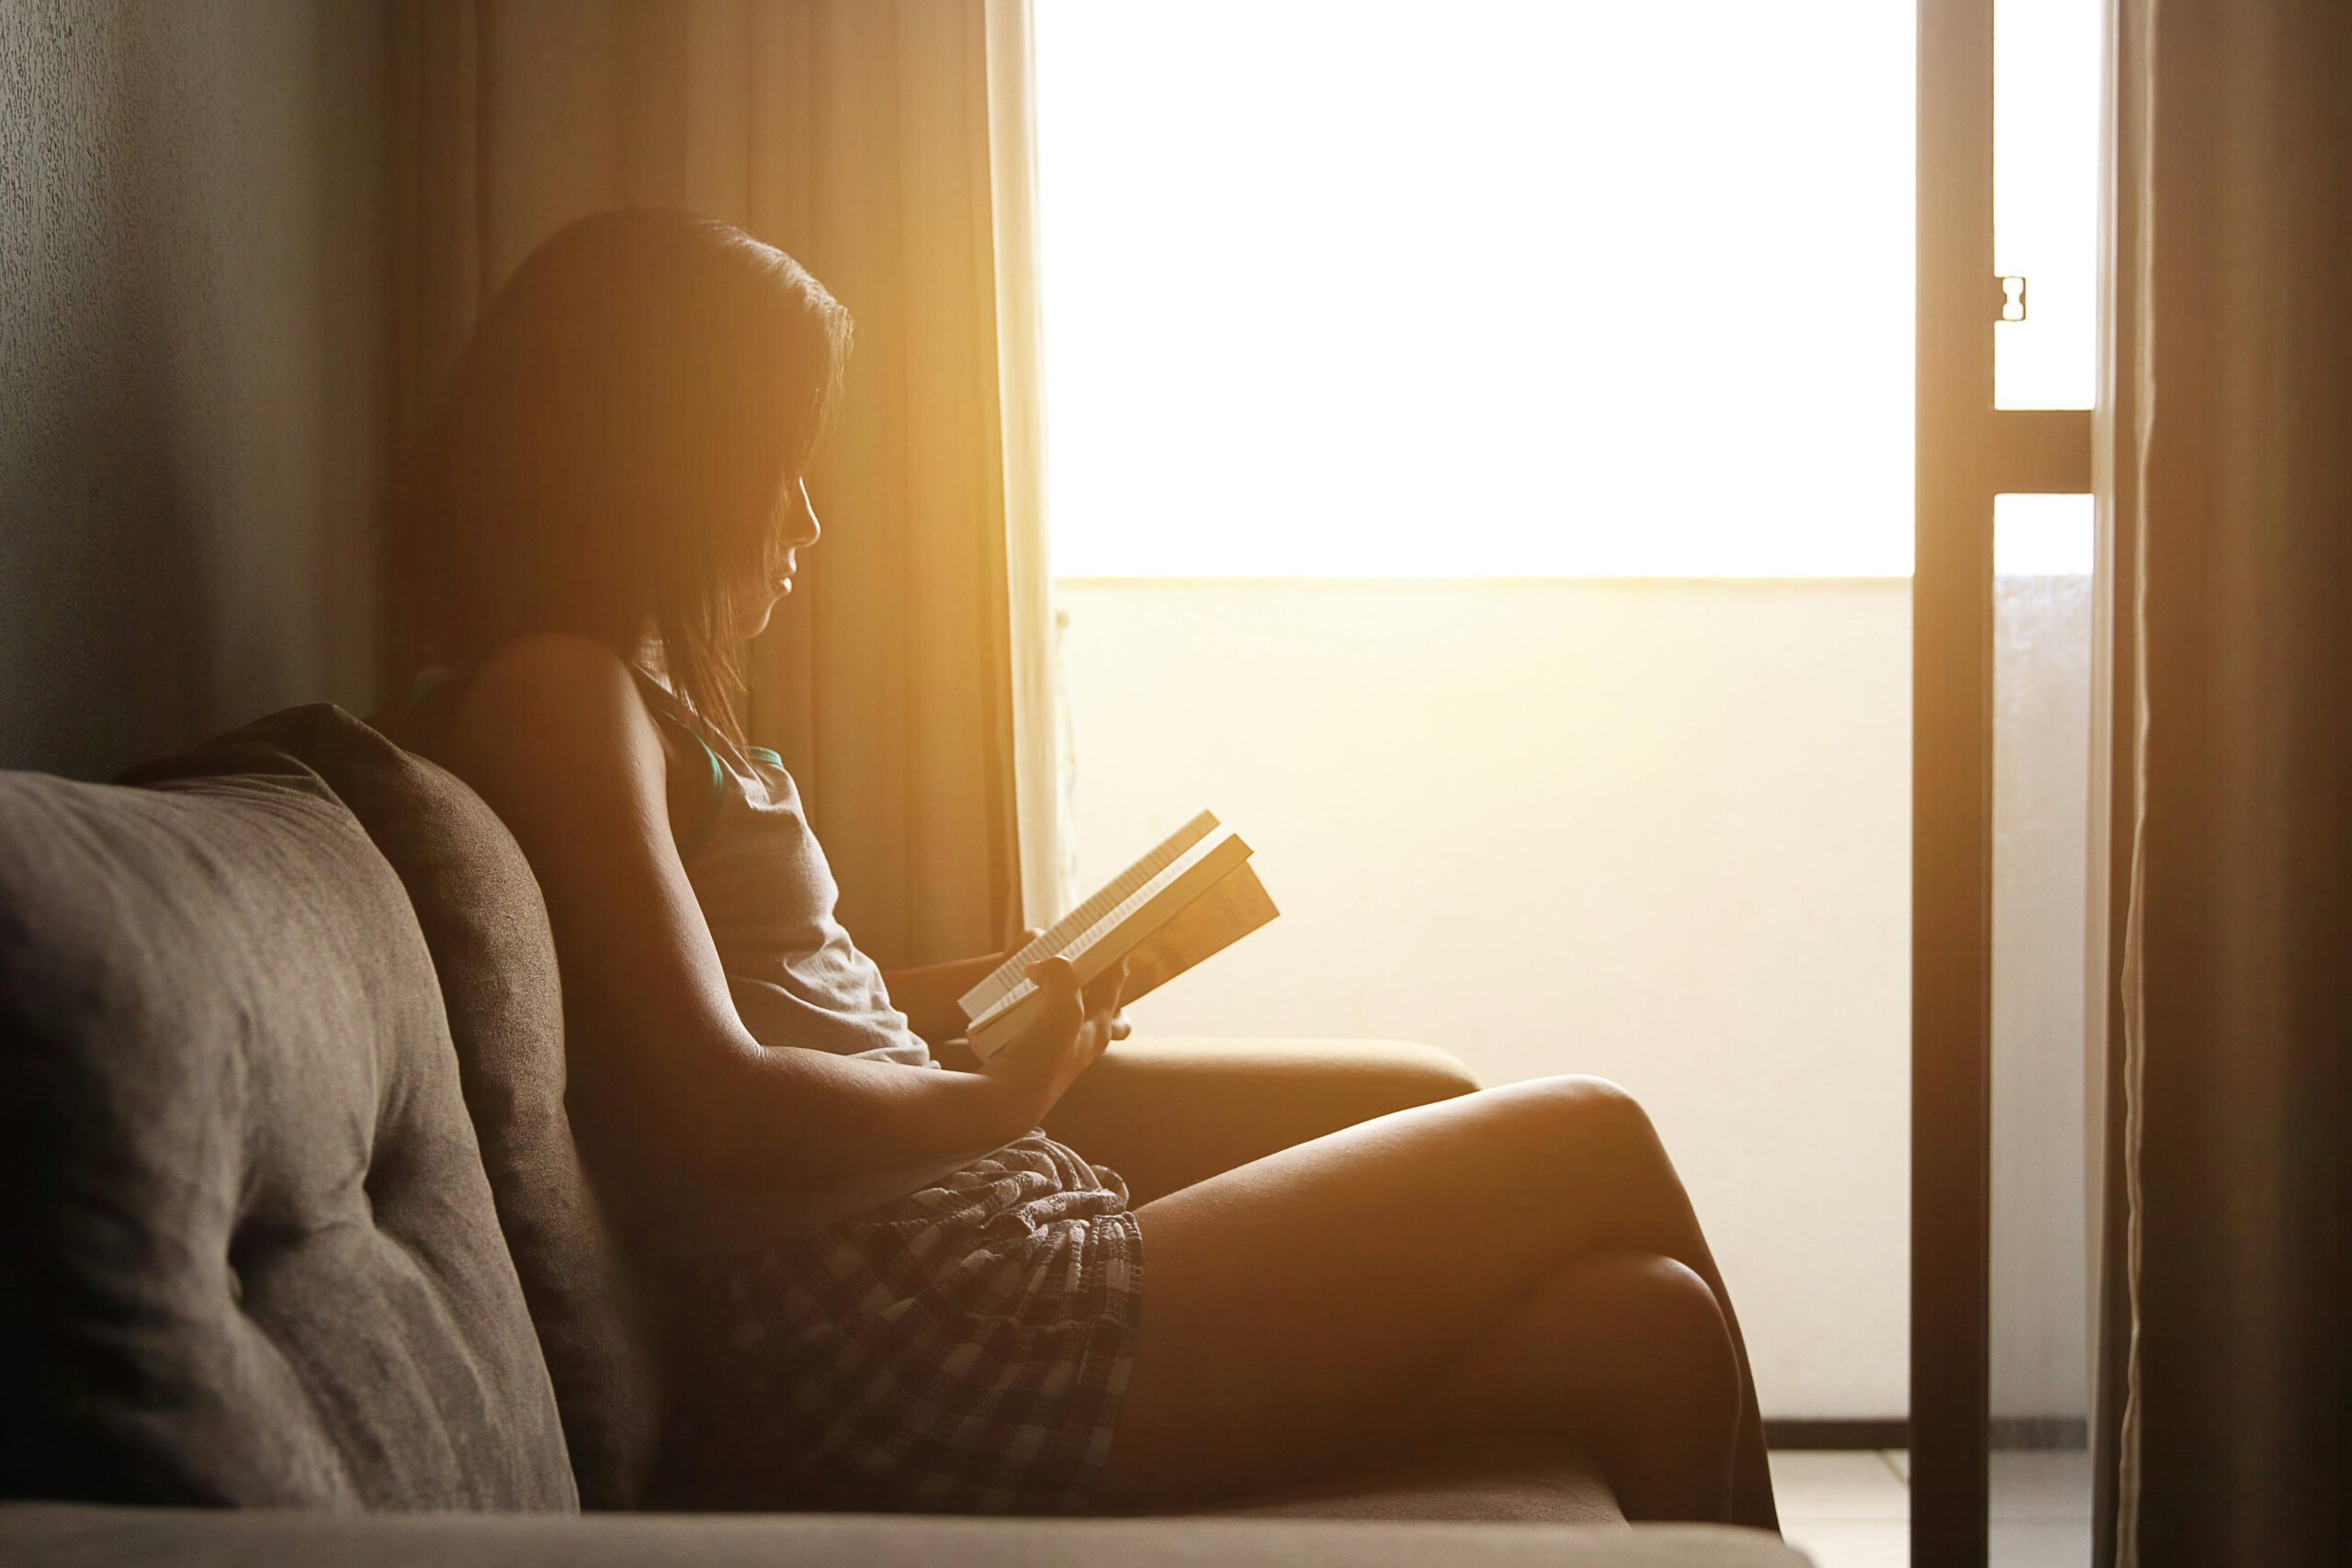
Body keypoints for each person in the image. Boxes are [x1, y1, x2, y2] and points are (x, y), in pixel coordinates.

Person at [392, 209, 1778, 1529]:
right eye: (778, 466)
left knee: (1654, 1338)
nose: (805, 520)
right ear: (671, 462)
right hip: (917, 1322)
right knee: (1594, 1129)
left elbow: (795, 1004)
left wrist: (1032, 976)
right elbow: (711, 1099)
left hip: (957, 1254)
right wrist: (999, 1094)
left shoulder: (639, 702)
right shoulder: (563, 697)